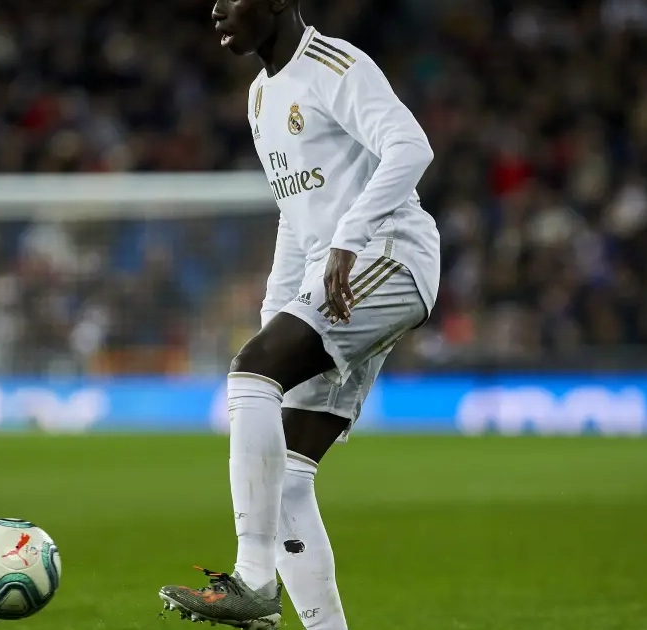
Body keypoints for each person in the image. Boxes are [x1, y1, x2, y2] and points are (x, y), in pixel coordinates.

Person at [158, 0, 440, 627]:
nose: (216, 9)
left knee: (250, 374)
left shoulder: (333, 64)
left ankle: (254, 582)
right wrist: (276, 311)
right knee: (284, 474)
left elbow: (410, 147)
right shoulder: (260, 97)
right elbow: (295, 216)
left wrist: (349, 237)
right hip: (334, 274)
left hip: (388, 253)